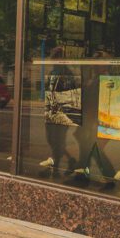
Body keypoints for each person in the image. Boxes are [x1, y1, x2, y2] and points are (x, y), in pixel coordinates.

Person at [39, 47, 80, 177]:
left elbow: (70, 94)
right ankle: (70, 160)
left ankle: (55, 169)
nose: (52, 59)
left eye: (54, 57)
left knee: (58, 141)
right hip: (51, 110)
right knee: (51, 140)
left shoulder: (66, 73)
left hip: (62, 112)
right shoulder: (53, 72)